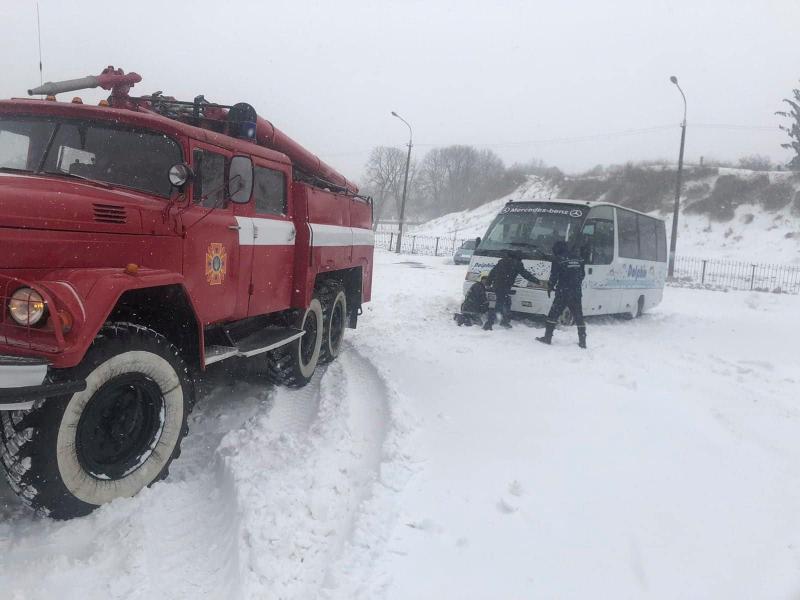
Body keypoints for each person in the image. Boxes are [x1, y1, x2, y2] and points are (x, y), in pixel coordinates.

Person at [536, 240, 587, 348]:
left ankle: (547, 337)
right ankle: (582, 341)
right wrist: (575, 283)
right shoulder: (579, 259)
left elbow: (554, 277)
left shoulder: (558, 260)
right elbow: (582, 275)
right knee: (579, 317)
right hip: (576, 293)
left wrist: (550, 286)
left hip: (563, 292)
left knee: (553, 315)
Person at [484, 250, 540, 330]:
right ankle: (489, 323)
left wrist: (488, 283)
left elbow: (493, 272)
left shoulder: (502, 261)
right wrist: (537, 281)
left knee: (506, 302)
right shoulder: (517, 264)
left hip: (497, 285)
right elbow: (525, 274)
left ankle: (504, 321)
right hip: (504, 286)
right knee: (499, 305)